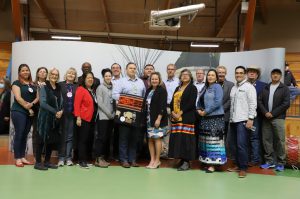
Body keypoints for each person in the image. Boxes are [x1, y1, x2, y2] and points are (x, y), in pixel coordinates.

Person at [112, 62, 146, 168]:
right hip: (125, 112)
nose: (133, 70)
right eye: (130, 68)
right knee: (124, 136)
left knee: (134, 137)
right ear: (126, 70)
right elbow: (114, 95)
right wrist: (130, 101)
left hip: (137, 113)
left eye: (134, 68)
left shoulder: (141, 82)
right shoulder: (121, 82)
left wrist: (137, 103)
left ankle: (132, 159)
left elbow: (143, 96)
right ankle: (124, 160)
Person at [227, 66, 257, 178]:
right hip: (233, 120)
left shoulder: (249, 87)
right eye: (236, 73)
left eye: (240, 73)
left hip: (243, 120)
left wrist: (251, 118)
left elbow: (253, 104)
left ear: (244, 74)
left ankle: (243, 168)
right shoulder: (234, 88)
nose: (238, 75)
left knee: (242, 145)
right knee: (234, 145)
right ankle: (237, 165)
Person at [259, 69, 290, 172]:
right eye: (273, 74)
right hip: (266, 117)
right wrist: (265, 112)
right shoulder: (266, 87)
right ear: (271, 75)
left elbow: (286, 103)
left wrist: (273, 113)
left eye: (277, 74)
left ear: (280, 76)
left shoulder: (284, 88)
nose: (275, 76)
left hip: (278, 118)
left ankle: (281, 163)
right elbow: (259, 101)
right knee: (266, 139)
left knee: (280, 140)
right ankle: (269, 161)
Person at [168, 69, 197, 171]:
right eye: (183, 75)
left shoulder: (192, 88)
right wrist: (172, 112)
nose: (184, 76)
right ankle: (181, 159)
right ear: (180, 77)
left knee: (186, 140)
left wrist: (180, 112)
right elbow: (172, 102)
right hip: (176, 118)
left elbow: (191, 103)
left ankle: (186, 162)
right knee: (178, 139)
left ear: (190, 77)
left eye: (187, 75)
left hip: (186, 117)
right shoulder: (177, 88)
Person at [197, 69, 226, 173]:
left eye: (213, 75)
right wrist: (199, 109)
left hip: (215, 118)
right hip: (205, 118)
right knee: (206, 141)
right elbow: (199, 101)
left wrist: (206, 111)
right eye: (209, 75)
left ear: (216, 77)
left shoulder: (217, 87)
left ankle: (214, 164)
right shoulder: (205, 87)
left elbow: (218, 102)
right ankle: (208, 161)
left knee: (214, 142)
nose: (210, 77)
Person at [35, 68, 63, 170]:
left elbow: (62, 102)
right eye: (52, 74)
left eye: (56, 74)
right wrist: (56, 112)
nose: (54, 76)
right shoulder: (44, 86)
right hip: (44, 118)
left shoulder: (59, 87)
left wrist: (61, 111)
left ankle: (47, 161)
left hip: (55, 119)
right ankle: (38, 163)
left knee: (51, 141)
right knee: (41, 140)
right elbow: (42, 103)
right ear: (49, 75)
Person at [11, 64, 39, 167]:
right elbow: (18, 98)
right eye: (23, 70)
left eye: (27, 70)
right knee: (19, 133)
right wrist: (28, 108)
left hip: (29, 112)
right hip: (18, 111)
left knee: (24, 135)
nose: (25, 72)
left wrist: (31, 105)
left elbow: (37, 97)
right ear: (19, 72)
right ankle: (17, 158)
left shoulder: (33, 84)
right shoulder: (16, 83)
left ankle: (22, 156)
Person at [144, 72, 168, 169]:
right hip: (149, 119)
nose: (154, 80)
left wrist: (158, 118)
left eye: (156, 79)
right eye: (152, 79)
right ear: (150, 80)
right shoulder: (148, 90)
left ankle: (158, 160)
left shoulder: (162, 91)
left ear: (159, 80)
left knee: (157, 138)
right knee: (150, 139)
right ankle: (152, 160)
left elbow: (163, 106)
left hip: (158, 119)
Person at [74, 72, 98, 169]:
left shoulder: (91, 90)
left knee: (88, 140)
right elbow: (76, 104)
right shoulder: (81, 89)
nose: (90, 79)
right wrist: (78, 117)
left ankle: (86, 160)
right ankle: (81, 161)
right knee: (82, 141)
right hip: (83, 119)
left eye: (92, 78)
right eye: (88, 78)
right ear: (84, 79)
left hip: (91, 119)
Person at [247, 65, 267, 166]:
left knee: (254, 138)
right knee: (244, 138)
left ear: (257, 74)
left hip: (257, 117)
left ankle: (255, 159)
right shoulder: (243, 84)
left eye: (254, 72)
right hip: (243, 117)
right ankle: (246, 158)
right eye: (250, 71)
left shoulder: (263, 85)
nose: (251, 73)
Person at [57, 67, 78, 167]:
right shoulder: (60, 85)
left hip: (72, 115)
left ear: (75, 76)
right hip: (62, 115)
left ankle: (68, 158)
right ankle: (61, 158)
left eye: (73, 74)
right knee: (62, 136)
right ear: (66, 74)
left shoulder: (77, 86)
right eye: (69, 73)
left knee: (70, 137)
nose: (71, 75)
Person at [94, 68, 115, 168]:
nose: (108, 77)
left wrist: (113, 114)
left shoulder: (113, 87)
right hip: (103, 117)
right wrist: (109, 114)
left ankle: (103, 158)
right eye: (106, 76)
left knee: (107, 138)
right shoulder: (100, 87)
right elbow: (100, 103)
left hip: (111, 117)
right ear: (103, 77)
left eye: (109, 76)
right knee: (101, 138)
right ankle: (97, 159)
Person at [162, 64, 180, 158]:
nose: (170, 71)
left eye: (172, 69)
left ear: (175, 70)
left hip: (176, 109)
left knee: (176, 130)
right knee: (166, 130)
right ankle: (166, 152)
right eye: (168, 69)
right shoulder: (163, 82)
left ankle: (175, 152)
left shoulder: (179, 82)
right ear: (166, 70)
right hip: (165, 108)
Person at [216, 66, 234, 158]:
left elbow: (231, 100)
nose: (221, 74)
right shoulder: (211, 84)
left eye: (223, 72)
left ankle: (225, 155)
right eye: (219, 72)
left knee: (226, 136)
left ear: (225, 73)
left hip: (225, 115)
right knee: (215, 136)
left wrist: (221, 110)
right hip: (213, 116)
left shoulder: (231, 85)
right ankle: (216, 154)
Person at [32, 67, 48, 157]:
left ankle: (43, 153)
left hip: (47, 113)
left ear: (46, 74)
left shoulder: (49, 84)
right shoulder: (33, 85)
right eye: (40, 72)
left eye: (44, 72)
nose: (42, 73)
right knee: (36, 133)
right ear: (37, 74)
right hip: (36, 112)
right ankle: (35, 154)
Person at [111, 63, 122, 160]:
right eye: (113, 68)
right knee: (110, 132)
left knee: (119, 132)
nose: (115, 69)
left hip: (122, 109)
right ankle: (111, 154)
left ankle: (118, 154)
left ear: (121, 70)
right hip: (110, 108)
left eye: (117, 68)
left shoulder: (125, 81)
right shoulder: (108, 80)